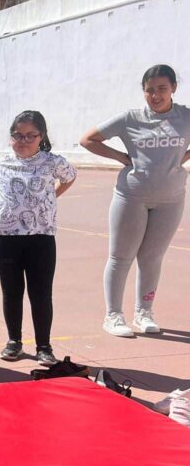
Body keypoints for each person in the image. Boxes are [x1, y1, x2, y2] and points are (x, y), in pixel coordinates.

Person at [80, 64, 190, 337]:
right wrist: (121, 157)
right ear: (143, 91)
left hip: (171, 199)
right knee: (121, 257)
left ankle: (144, 312)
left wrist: (182, 159)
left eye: (162, 89)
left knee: (152, 257)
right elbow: (88, 140)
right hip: (131, 197)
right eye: (150, 90)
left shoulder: (186, 117)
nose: (155, 95)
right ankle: (113, 315)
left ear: (174, 88)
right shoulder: (130, 118)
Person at [0, 111, 76, 365]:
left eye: (30, 135)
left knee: (41, 293)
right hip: (6, 237)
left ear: (41, 136)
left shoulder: (53, 162)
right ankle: (14, 341)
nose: (23, 141)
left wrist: (49, 198)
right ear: (10, 136)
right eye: (18, 135)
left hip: (41, 237)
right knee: (11, 291)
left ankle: (44, 346)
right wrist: (10, 207)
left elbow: (69, 178)